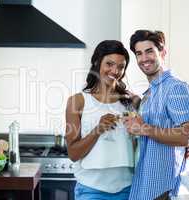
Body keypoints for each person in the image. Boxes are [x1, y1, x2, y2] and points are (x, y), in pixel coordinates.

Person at [123, 30, 189, 200]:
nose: (144, 58)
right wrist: (137, 103)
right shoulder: (151, 92)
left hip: (160, 188)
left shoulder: (176, 88)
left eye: (149, 51)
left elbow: (187, 137)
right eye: (139, 54)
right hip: (144, 183)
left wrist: (144, 128)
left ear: (163, 52)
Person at [65, 40, 138, 200]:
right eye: (109, 64)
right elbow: (73, 154)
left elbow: (139, 145)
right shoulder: (78, 102)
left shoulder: (131, 102)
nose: (115, 70)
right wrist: (97, 130)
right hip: (91, 191)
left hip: (127, 189)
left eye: (121, 66)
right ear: (97, 62)